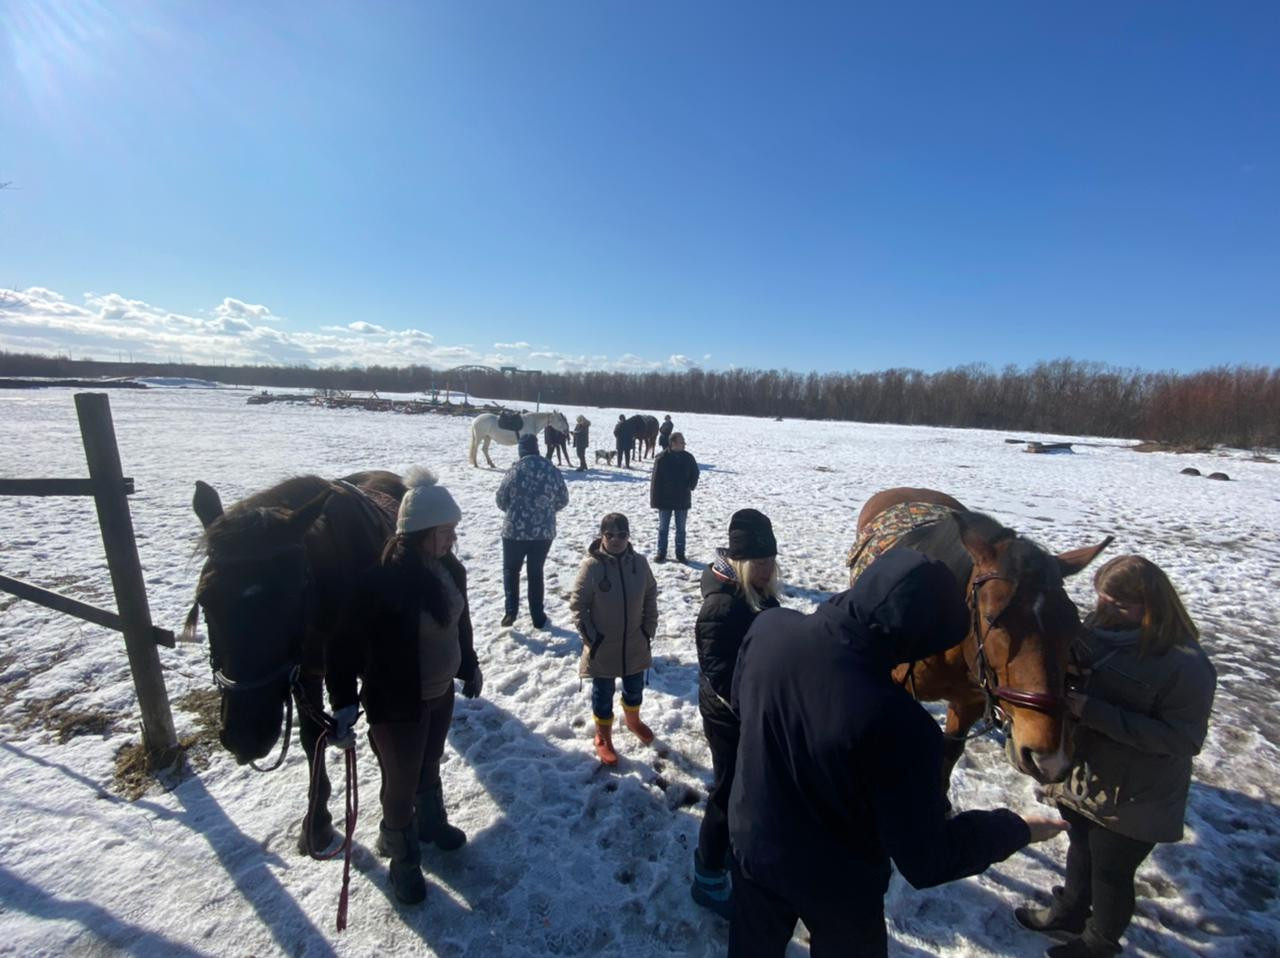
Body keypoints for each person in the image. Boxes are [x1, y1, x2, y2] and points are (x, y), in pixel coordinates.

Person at [728, 549, 1067, 957]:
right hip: (839, 882)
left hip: (752, 844)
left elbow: (743, 709)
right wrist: (1017, 828)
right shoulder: (903, 725)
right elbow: (928, 859)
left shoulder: (770, 628)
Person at [1016, 555, 1216, 957]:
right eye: (1102, 600)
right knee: (1081, 848)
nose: (1105, 611)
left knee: (1111, 872)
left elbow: (1183, 739)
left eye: (1120, 605)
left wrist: (1094, 712)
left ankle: (1099, 943)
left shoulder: (1185, 665)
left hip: (1135, 795)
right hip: (1086, 779)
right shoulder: (1091, 633)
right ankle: (1070, 911)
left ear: (1154, 604)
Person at [329, 468, 484, 905]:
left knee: (430, 762)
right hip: (397, 702)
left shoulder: (450, 569)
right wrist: (342, 704)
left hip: (440, 693)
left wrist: (468, 665)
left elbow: (461, 624)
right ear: (418, 533)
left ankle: (431, 825)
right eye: (445, 531)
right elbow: (340, 647)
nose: (453, 538)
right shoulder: (380, 583)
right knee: (400, 783)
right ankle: (403, 860)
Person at [691, 509, 782, 918]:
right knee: (727, 793)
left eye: (770, 563)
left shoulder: (759, 594)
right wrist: (755, 709)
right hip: (729, 715)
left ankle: (736, 851)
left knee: (750, 790)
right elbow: (719, 672)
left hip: (754, 710)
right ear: (743, 564)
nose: (767, 570)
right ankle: (707, 877)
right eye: (759, 564)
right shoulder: (721, 607)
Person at [568, 512, 659, 765]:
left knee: (634, 687)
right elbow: (578, 605)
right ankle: (603, 736)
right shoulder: (592, 566)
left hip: (635, 642)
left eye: (622, 534)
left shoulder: (639, 563)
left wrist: (648, 628)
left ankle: (633, 720)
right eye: (610, 535)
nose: (616, 540)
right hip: (603, 646)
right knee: (603, 692)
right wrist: (592, 639)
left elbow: (651, 593)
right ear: (602, 535)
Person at [495, 432, 569, 629]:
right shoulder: (551, 469)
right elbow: (563, 499)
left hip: (514, 531)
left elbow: (501, 500)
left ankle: (511, 611)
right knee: (535, 572)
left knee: (511, 570)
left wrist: (515, 511)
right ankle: (538, 615)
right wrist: (546, 511)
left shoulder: (514, 470)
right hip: (543, 532)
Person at [649, 432, 699, 563]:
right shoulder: (661, 458)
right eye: (682, 442)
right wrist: (655, 501)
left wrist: (690, 486)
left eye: (684, 442)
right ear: (673, 443)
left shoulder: (688, 457)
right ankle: (661, 552)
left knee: (681, 529)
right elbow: (655, 481)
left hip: (682, 499)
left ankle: (680, 553)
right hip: (665, 500)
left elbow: (695, 473)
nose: (684, 444)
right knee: (663, 528)